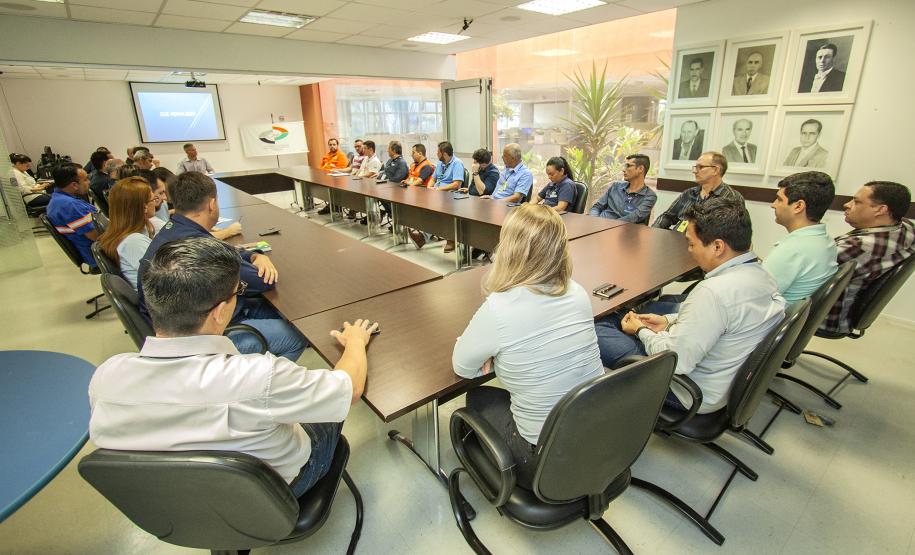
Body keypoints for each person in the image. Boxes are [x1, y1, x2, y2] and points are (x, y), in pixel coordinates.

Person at [89, 235, 378, 498]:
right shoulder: (259, 376)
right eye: (237, 291)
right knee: (328, 403)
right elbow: (350, 388)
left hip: (173, 503)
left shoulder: (106, 376)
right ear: (218, 312)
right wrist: (355, 341)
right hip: (272, 495)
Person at [453, 204, 603, 488]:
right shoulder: (578, 292)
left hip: (541, 458)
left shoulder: (500, 308)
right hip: (593, 432)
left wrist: (495, 357)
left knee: (478, 398)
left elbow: (462, 367)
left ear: (509, 249)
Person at [595, 198, 785, 413]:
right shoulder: (762, 275)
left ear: (717, 246)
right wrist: (668, 321)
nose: (690, 250)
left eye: (692, 243)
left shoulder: (713, 292)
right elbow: (727, 319)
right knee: (621, 315)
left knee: (596, 327)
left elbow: (680, 362)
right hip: (722, 382)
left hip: (687, 393)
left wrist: (641, 331)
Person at [137, 171, 307, 361]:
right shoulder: (195, 245)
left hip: (187, 321)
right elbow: (262, 281)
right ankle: (257, 386)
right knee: (298, 335)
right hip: (201, 338)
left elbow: (227, 252)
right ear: (212, 204)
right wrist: (257, 261)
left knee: (290, 316)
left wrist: (254, 256)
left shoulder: (176, 229)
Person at [821, 181, 914, 335]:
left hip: (827, 318)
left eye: (856, 202)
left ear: (881, 210)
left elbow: (804, 275)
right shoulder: (906, 228)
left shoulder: (859, 247)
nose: (847, 204)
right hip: (850, 312)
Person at [764, 171, 838, 304]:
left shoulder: (793, 250)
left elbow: (752, 297)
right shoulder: (826, 241)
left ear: (798, 206)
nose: (773, 204)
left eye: (780, 199)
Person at [97, 177, 163, 289]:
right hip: (156, 301)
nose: (156, 203)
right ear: (144, 207)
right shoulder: (133, 241)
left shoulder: (123, 232)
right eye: (153, 199)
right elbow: (165, 278)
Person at [653, 151, 744, 231]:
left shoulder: (731, 198)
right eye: (695, 167)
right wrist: (654, 231)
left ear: (716, 170)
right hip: (678, 239)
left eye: (700, 167)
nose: (695, 171)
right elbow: (667, 216)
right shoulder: (689, 193)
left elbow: (732, 234)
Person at [46, 163, 98, 268]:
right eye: (85, 180)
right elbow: (96, 236)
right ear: (74, 185)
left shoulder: (59, 198)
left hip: (93, 248)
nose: (88, 182)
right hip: (97, 253)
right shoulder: (69, 206)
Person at [588, 153, 658, 223]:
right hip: (598, 224)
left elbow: (632, 219)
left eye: (628, 166)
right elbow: (597, 207)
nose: (624, 170)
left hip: (621, 230)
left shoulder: (649, 196)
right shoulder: (615, 186)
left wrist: (606, 226)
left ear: (640, 169)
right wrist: (595, 221)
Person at [88, 149, 115, 215]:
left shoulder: (92, 175)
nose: (115, 160)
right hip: (116, 211)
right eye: (112, 159)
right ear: (105, 163)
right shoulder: (108, 181)